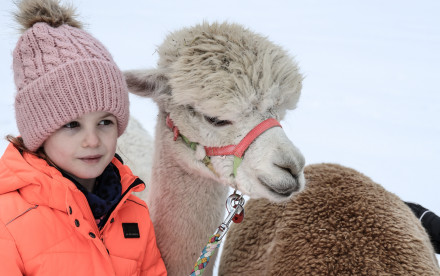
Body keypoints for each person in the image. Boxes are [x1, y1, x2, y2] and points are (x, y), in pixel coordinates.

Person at [0, 0, 167, 275]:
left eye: (104, 122)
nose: (92, 140)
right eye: (71, 125)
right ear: (39, 132)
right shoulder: (9, 219)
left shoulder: (133, 210)